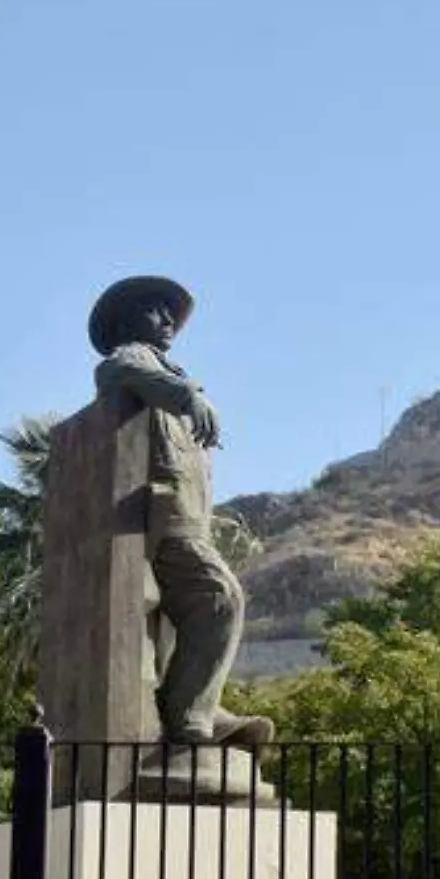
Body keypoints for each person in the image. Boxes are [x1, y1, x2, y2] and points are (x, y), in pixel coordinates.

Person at [88, 275, 273, 752]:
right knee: (219, 598)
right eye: (155, 309)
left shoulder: (169, 378)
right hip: (161, 522)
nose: (168, 319)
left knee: (180, 626)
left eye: (171, 312)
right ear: (128, 320)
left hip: (187, 519)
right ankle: (190, 718)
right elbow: (118, 374)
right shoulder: (130, 358)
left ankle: (197, 708)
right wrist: (186, 393)